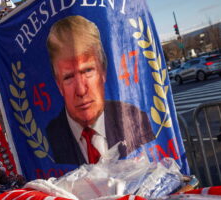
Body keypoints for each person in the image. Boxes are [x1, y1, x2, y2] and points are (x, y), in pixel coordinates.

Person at [45, 16, 155, 165]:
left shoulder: (134, 119)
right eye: (69, 77)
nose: (81, 90)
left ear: (103, 72)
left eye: (88, 71)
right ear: (58, 85)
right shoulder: (48, 137)